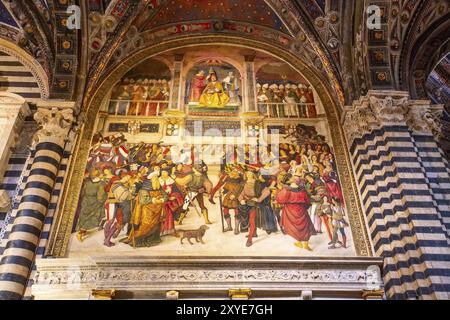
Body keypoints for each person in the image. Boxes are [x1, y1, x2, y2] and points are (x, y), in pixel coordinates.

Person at [124, 172, 167, 247]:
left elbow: (165, 196)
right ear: (150, 179)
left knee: (156, 225)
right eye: (155, 177)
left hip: (157, 211)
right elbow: (143, 200)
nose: (156, 179)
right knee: (145, 225)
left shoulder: (158, 187)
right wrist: (154, 200)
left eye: (157, 177)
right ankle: (138, 240)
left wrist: (162, 199)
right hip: (147, 211)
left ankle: (152, 239)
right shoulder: (145, 188)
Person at [275, 176, 316, 250]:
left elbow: (279, 200)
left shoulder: (287, 190)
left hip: (290, 211)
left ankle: (300, 242)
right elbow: (307, 201)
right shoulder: (303, 190)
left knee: (294, 227)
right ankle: (304, 244)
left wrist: (279, 190)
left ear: (292, 181)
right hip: (301, 210)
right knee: (304, 226)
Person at [76, 169, 107, 242]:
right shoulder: (101, 183)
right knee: (91, 217)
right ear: (99, 175)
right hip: (94, 202)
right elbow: (100, 196)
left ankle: (83, 231)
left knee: (84, 217)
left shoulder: (88, 182)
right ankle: (80, 233)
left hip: (86, 201)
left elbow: (83, 193)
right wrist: (103, 200)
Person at [159, 170, 184, 237]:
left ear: (168, 173)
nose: (164, 173)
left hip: (169, 202)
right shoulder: (158, 181)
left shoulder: (171, 182)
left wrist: (174, 196)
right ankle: (160, 231)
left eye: (166, 172)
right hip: (159, 201)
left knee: (169, 215)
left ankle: (170, 230)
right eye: (163, 172)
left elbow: (177, 192)